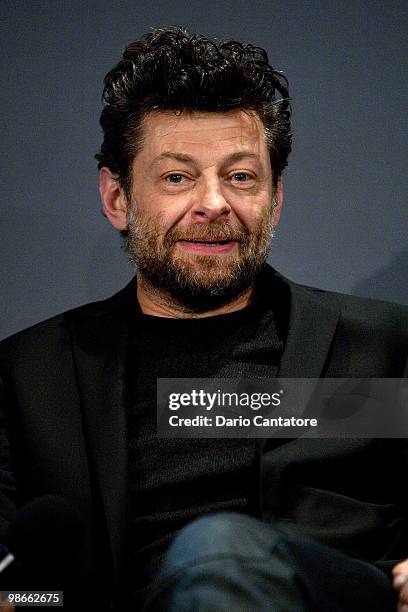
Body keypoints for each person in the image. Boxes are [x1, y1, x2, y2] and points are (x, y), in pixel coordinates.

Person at [0, 26, 407, 611]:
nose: (214, 203)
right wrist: (28, 599)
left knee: (220, 548)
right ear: (118, 200)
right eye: (177, 177)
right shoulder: (29, 379)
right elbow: (25, 590)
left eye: (240, 176)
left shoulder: (386, 351)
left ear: (277, 197)